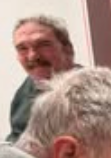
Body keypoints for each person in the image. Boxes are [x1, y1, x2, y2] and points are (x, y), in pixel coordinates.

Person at [7, 14, 77, 142]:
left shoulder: (93, 90)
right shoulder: (26, 89)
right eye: (22, 48)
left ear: (67, 49)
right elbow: (17, 136)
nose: (32, 56)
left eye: (43, 45)